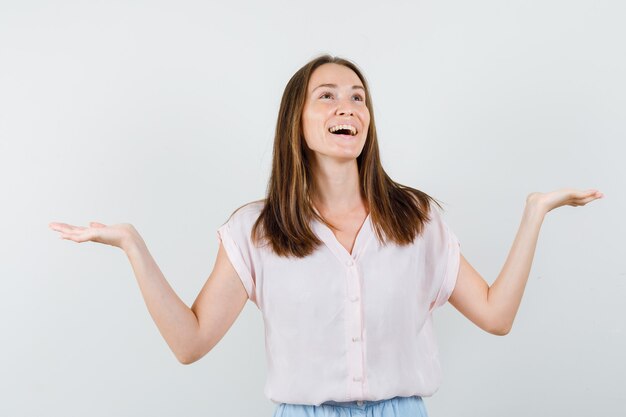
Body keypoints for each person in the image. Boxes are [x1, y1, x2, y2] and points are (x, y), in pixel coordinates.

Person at [48, 54, 604, 417]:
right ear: (299, 120)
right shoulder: (256, 230)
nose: (348, 106)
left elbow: (495, 316)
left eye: (358, 96)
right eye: (328, 95)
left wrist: (534, 215)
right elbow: (190, 343)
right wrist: (133, 247)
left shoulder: (416, 219)